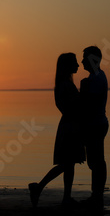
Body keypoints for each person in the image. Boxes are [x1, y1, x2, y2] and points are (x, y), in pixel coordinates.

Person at [28, 53, 85, 208]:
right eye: (75, 62)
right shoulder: (66, 85)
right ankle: (38, 187)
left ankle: (66, 197)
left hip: (68, 125)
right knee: (67, 164)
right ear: (67, 65)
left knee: (69, 164)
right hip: (70, 127)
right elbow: (74, 106)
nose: (78, 65)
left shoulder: (63, 84)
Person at [80, 46, 109, 212]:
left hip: (96, 124)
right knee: (95, 161)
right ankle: (96, 195)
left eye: (85, 57)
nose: (82, 61)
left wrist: (83, 90)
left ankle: (97, 196)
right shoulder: (95, 77)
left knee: (96, 162)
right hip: (98, 123)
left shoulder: (95, 79)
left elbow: (88, 105)